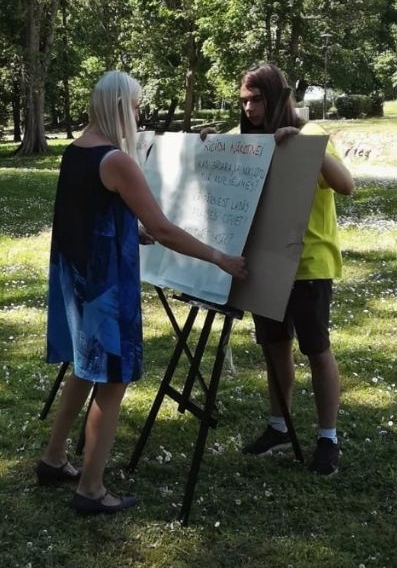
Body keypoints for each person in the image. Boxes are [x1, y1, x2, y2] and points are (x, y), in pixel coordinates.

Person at [37, 70, 247, 515]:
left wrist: (125, 229)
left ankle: (54, 459)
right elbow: (165, 229)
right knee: (111, 383)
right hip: (104, 289)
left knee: (82, 368)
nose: (139, 112)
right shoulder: (117, 160)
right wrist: (220, 259)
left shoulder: (76, 151)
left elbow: (86, 214)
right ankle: (91, 489)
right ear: (119, 107)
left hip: (78, 283)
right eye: (135, 105)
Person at [235, 63, 354, 475]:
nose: (249, 108)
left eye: (257, 99)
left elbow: (346, 185)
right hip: (265, 263)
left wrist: (307, 147)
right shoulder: (249, 138)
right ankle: (279, 425)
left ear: (277, 97)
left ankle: (327, 437)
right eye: (244, 101)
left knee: (317, 350)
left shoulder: (312, 136)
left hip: (308, 265)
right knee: (274, 347)